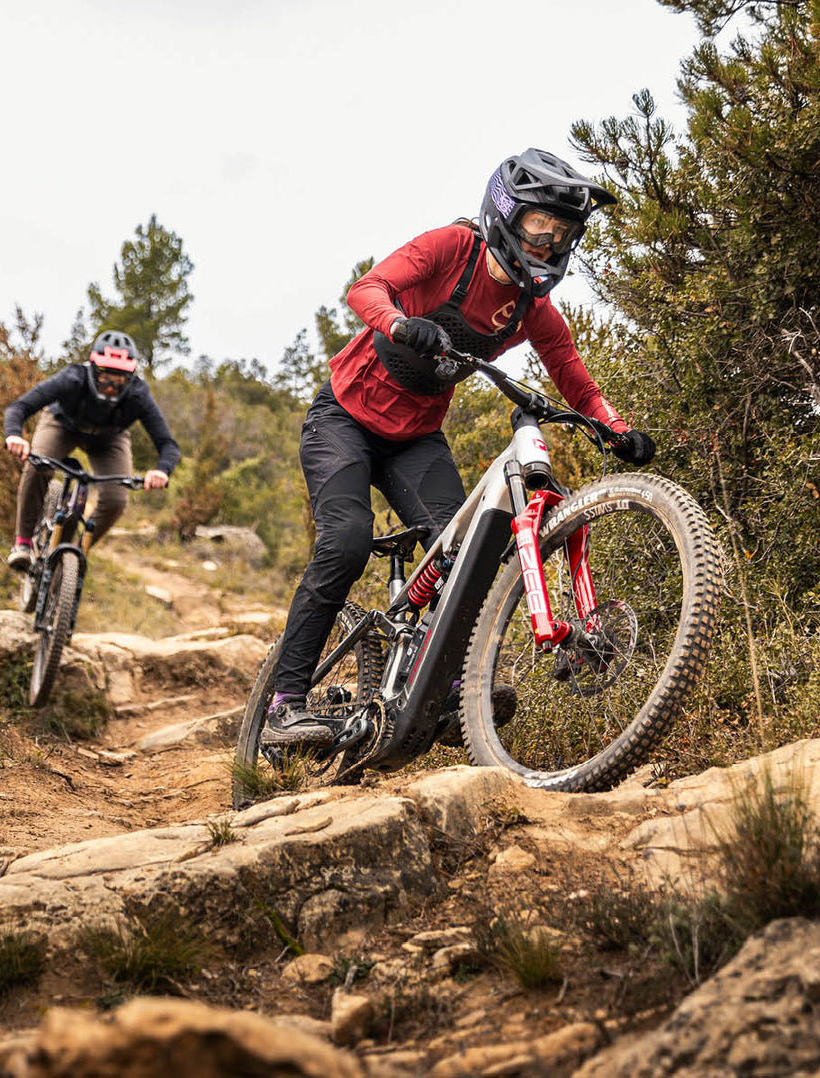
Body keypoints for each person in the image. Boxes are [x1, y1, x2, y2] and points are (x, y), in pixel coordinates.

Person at [264, 148, 657, 747]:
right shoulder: (452, 248)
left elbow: (574, 375)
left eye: (562, 233)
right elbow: (367, 289)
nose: (548, 242)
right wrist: (398, 323)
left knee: (470, 549)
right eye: (539, 225)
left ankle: (445, 691)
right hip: (342, 419)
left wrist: (616, 427)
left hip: (416, 438)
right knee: (345, 542)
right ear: (506, 213)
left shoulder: (534, 309)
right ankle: (285, 702)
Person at [2, 330, 178, 570]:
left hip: (109, 438)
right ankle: (22, 544)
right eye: (106, 376)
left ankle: (76, 552)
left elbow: (167, 444)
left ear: (131, 377)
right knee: (38, 466)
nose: (111, 386)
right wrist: (14, 435)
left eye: (120, 379)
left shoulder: (138, 395)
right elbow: (20, 407)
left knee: (116, 499)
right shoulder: (72, 378)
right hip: (62, 425)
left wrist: (161, 471)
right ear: (93, 369)